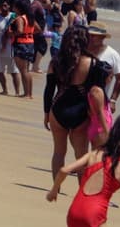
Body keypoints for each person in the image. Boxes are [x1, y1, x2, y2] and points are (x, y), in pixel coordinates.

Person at [44, 26, 111, 178]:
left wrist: (46, 113)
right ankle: (82, 192)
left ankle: (56, 189)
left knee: (58, 153)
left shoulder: (56, 62)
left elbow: (49, 90)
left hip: (58, 109)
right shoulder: (94, 63)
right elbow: (97, 93)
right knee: (81, 157)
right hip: (81, 112)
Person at [86, 22, 120, 114]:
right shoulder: (81, 51)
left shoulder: (112, 55)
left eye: (94, 36)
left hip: (99, 103)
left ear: (103, 37)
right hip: (78, 100)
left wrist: (113, 100)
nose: (91, 38)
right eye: (89, 35)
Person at [0, 0, 22, 96]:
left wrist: (12, 34)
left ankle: (17, 92)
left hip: (12, 48)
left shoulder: (15, 17)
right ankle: (5, 90)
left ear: (9, 5)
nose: (5, 7)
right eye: (2, 5)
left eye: (6, 5)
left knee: (14, 71)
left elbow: (20, 31)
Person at [10, 0, 36, 99]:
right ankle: (29, 93)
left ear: (18, 8)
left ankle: (27, 94)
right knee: (27, 70)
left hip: (21, 43)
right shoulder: (30, 18)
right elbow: (38, 29)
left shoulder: (20, 18)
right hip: (30, 43)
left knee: (23, 70)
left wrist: (12, 34)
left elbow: (20, 31)